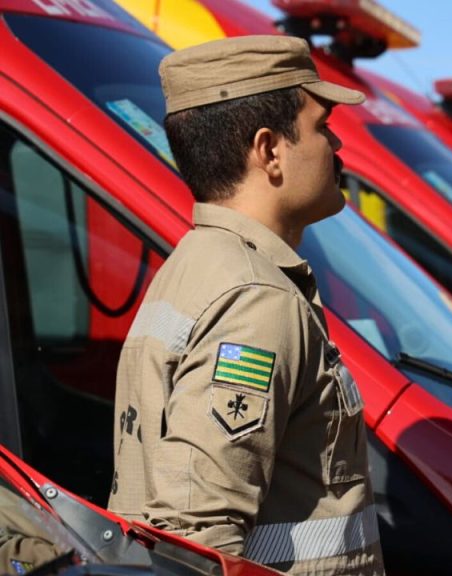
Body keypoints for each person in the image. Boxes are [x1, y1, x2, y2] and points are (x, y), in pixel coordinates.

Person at [108, 36, 383, 575]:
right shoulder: (256, 298)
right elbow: (196, 539)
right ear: (269, 150)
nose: (335, 145)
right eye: (322, 126)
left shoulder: (197, 264)